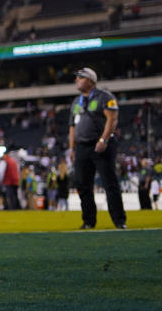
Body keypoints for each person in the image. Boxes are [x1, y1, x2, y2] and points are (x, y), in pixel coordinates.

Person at [69, 67, 127, 229]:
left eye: (80, 77)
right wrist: (72, 149)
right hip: (82, 147)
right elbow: (72, 127)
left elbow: (112, 119)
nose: (77, 80)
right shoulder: (76, 102)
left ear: (91, 81)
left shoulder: (104, 97)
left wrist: (103, 139)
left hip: (101, 145)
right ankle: (88, 221)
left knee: (109, 183)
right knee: (82, 185)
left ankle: (119, 221)